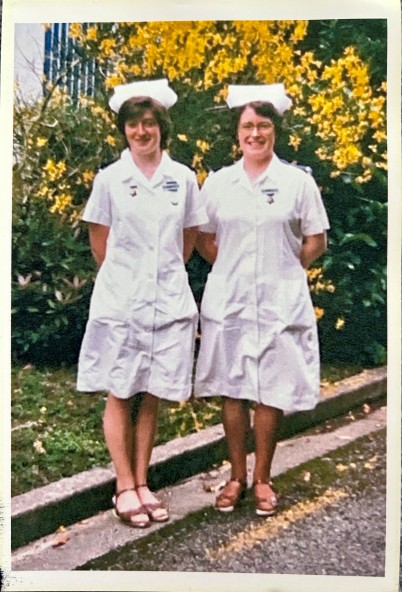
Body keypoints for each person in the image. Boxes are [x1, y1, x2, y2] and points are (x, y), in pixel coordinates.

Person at [194, 83, 329, 516]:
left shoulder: (296, 182)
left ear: (275, 131)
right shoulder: (217, 183)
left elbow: (315, 240)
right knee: (232, 390)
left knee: (271, 389)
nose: (255, 133)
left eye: (263, 125)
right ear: (237, 133)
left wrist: (285, 270)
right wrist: (232, 266)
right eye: (248, 126)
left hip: (279, 299)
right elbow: (203, 239)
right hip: (229, 299)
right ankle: (234, 476)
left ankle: (262, 479)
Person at [77, 79, 207, 528]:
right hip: (121, 300)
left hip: (167, 300)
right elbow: (101, 245)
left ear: (161, 127)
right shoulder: (110, 180)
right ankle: (123, 486)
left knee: (151, 394)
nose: (141, 131)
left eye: (149, 123)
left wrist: (161, 276)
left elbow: (187, 238)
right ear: (124, 130)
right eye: (133, 124)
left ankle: (143, 482)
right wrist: (128, 282)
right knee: (119, 389)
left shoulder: (184, 179)